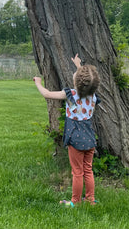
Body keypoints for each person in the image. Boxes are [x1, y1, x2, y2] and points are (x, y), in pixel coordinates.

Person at [33, 54, 101, 207]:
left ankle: (75, 202)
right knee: (88, 170)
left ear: (76, 81)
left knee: (77, 172)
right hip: (90, 140)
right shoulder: (93, 96)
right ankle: (90, 200)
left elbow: (47, 94)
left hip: (75, 140)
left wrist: (38, 83)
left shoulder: (70, 95)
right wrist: (79, 65)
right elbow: (86, 82)